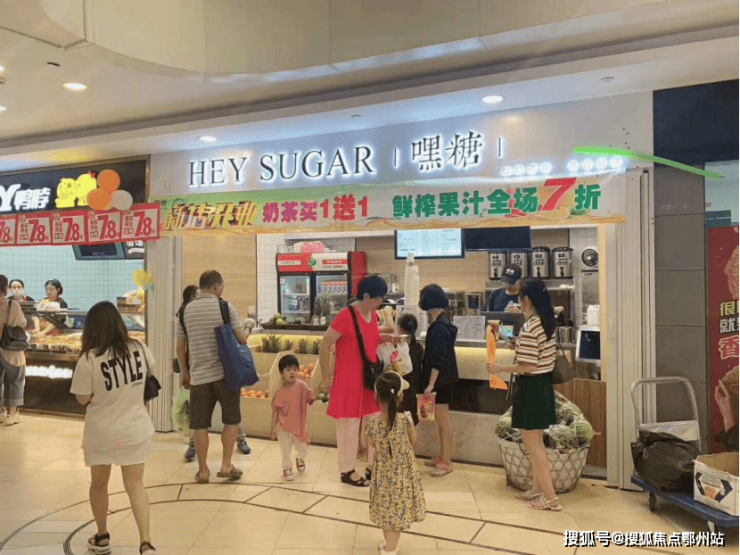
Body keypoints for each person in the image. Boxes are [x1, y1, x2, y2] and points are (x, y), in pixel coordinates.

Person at [69, 301, 157, 555]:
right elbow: (150, 375)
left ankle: (102, 536)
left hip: (102, 431)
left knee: (99, 483)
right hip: (135, 428)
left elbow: (82, 398)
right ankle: (146, 543)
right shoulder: (139, 348)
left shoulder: (89, 359)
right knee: (136, 485)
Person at [488, 278, 560, 511]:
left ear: (526, 300)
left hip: (531, 388)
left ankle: (551, 499)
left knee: (534, 448)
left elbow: (528, 366)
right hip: (543, 386)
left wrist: (500, 369)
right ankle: (538, 490)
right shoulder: (546, 323)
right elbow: (537, 355)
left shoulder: (531, 327)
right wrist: (518, 344)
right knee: (536, 444)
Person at [176, 270, 247, 484]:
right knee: (231, 420)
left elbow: (180, 347)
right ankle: (226, 465)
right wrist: (249, 326)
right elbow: (242, 339)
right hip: (227, 375)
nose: (222, 290)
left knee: (200, 425)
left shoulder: (185, 311)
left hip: (199, 377)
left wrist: (185, 372)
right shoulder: (225, 307)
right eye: (222, 286)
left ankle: (203, 471)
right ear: (216, 286)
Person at [318, 274, 388, 487]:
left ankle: (373, 465)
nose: (380, 303)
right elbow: (324, 344)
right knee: (349, 426)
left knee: (375, 421)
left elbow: (369, 340)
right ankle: (347, 470)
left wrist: (385, 339)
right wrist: (325, 377)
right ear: (366, 296)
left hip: (369, 379)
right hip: (348, 380)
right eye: (377, 298)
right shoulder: (346, 316)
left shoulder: (373, 316)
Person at [365, 372, 426, 555]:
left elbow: (371, 444)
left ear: (376, 396)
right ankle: (390, 550)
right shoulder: (406, 420)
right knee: (396, 514)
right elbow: (414, 441)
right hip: (402, 474)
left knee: (386, 511)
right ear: (400, 397)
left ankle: (388, 545)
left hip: (382, 475)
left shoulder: (372, 422)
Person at [419, 284, 459, 477]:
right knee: (442, 421)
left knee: (443, 421)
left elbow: (438, 359)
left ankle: (447, 462)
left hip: (441, 381)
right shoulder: (442, 322)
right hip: (444, 379)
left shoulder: (439, 328)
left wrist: (430, 384)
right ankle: (443, 457)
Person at [271, 354, 317, 481]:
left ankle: (299, 458)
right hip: (283, 427)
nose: (292, 372)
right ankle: (287, 468)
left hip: (299, 425)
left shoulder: (302, 386)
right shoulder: (280, 391)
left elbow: (311, 396)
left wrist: (319, 389)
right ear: (281, 373)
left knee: (303, 448)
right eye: (288, 370)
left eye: (295, 369)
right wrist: (273, 427)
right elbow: (276, 411)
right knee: (285, 450)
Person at [0, 275, 27, 426]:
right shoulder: (12, 305)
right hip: (11, 349)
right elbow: (21, 323)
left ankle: (0, 413)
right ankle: (12, 413)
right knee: (16, 381)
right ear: (5, 288)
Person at [397, 313, 422, 425]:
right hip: (415, 392)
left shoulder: (400, 348)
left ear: (401, 329)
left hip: (403, 393)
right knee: (411, 426)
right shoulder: (419, 347)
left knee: (401, 427)